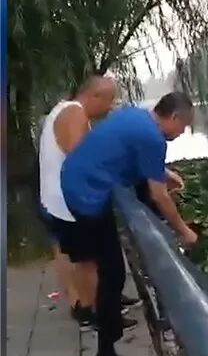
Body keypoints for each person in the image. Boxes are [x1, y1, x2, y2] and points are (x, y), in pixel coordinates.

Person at [48, 91, 197, 356]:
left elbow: (131, 155)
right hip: (86, 197)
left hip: (74, 181)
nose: (182, 133)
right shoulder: (153, 138)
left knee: (108, 268)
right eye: (184, 126)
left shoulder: (136, 116)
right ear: (174, 117)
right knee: (113, 273)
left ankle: (109, 325)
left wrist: (163, 172)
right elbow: (159, 195)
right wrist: (184, 231)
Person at [38, 76, 143, 332]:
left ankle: (96, 305)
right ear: (95, 96)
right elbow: (83, 158)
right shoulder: (74, 114)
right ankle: (99, 314)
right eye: (109, 100)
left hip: (62, 198)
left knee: (85, 257)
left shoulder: (64, 110)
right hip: (72, 200)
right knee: (91, 260)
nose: (110, 107)